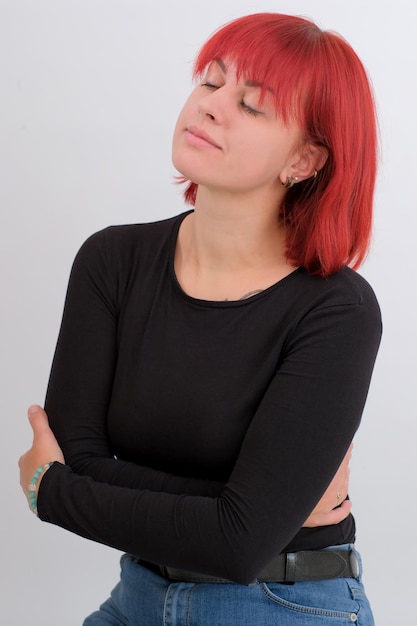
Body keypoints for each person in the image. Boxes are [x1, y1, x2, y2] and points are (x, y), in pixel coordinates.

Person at [19, 12, 382, 626]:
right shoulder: (112, 260)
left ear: (305, 159)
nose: (212, 107)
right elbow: (79, 455)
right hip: (136, 594)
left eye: (253, 105)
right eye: (212, 82)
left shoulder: (336, 310)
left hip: (284, 604)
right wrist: (251, 511)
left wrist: (50, 493)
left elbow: (239, 545)